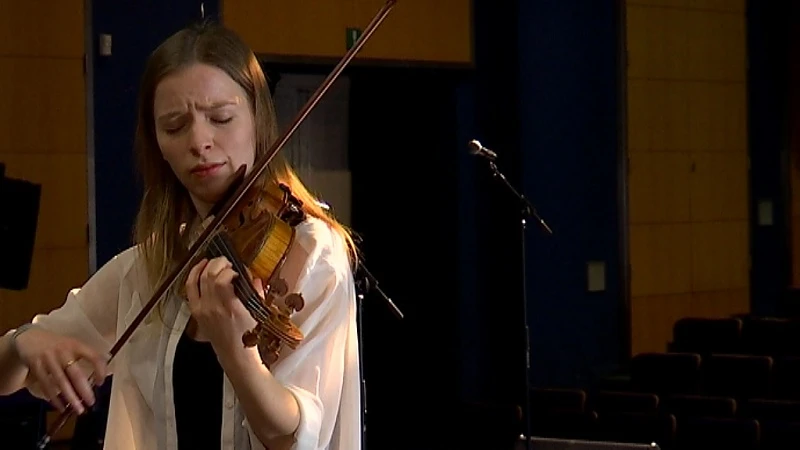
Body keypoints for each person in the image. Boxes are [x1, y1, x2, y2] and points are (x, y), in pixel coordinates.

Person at [0, 21, 362, 450]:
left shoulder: (312, 254)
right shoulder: (150, 265)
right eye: (174, 126)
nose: (200, 141)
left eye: (221, 118)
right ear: (157, 145)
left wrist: (235, 349)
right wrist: (24, 344)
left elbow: (295, 441)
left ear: (258, 120)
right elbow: (8, 373)